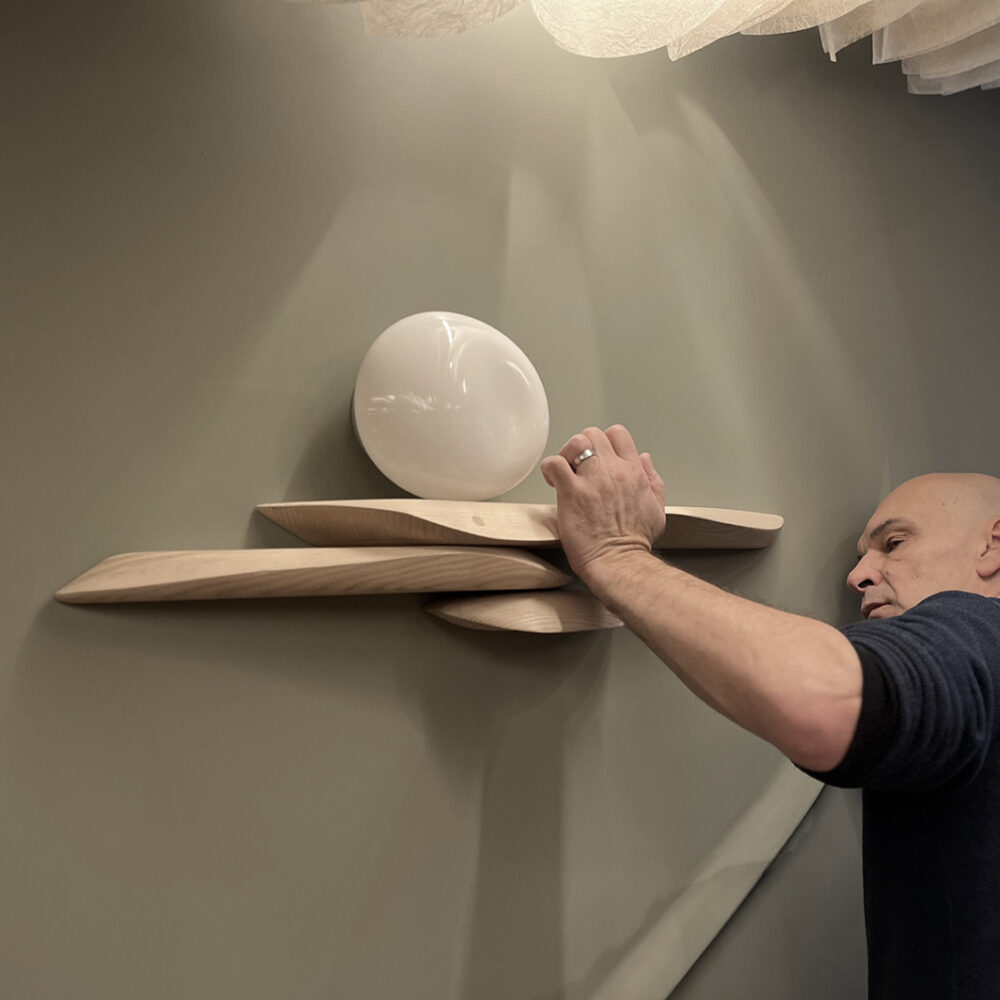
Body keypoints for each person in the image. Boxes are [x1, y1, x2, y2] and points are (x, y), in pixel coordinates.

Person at [541, 425, 1000, 1000]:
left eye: (895, 543)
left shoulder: (983, 629)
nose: (857, 575)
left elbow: (829, 703)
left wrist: (615, 553)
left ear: (993, 545)